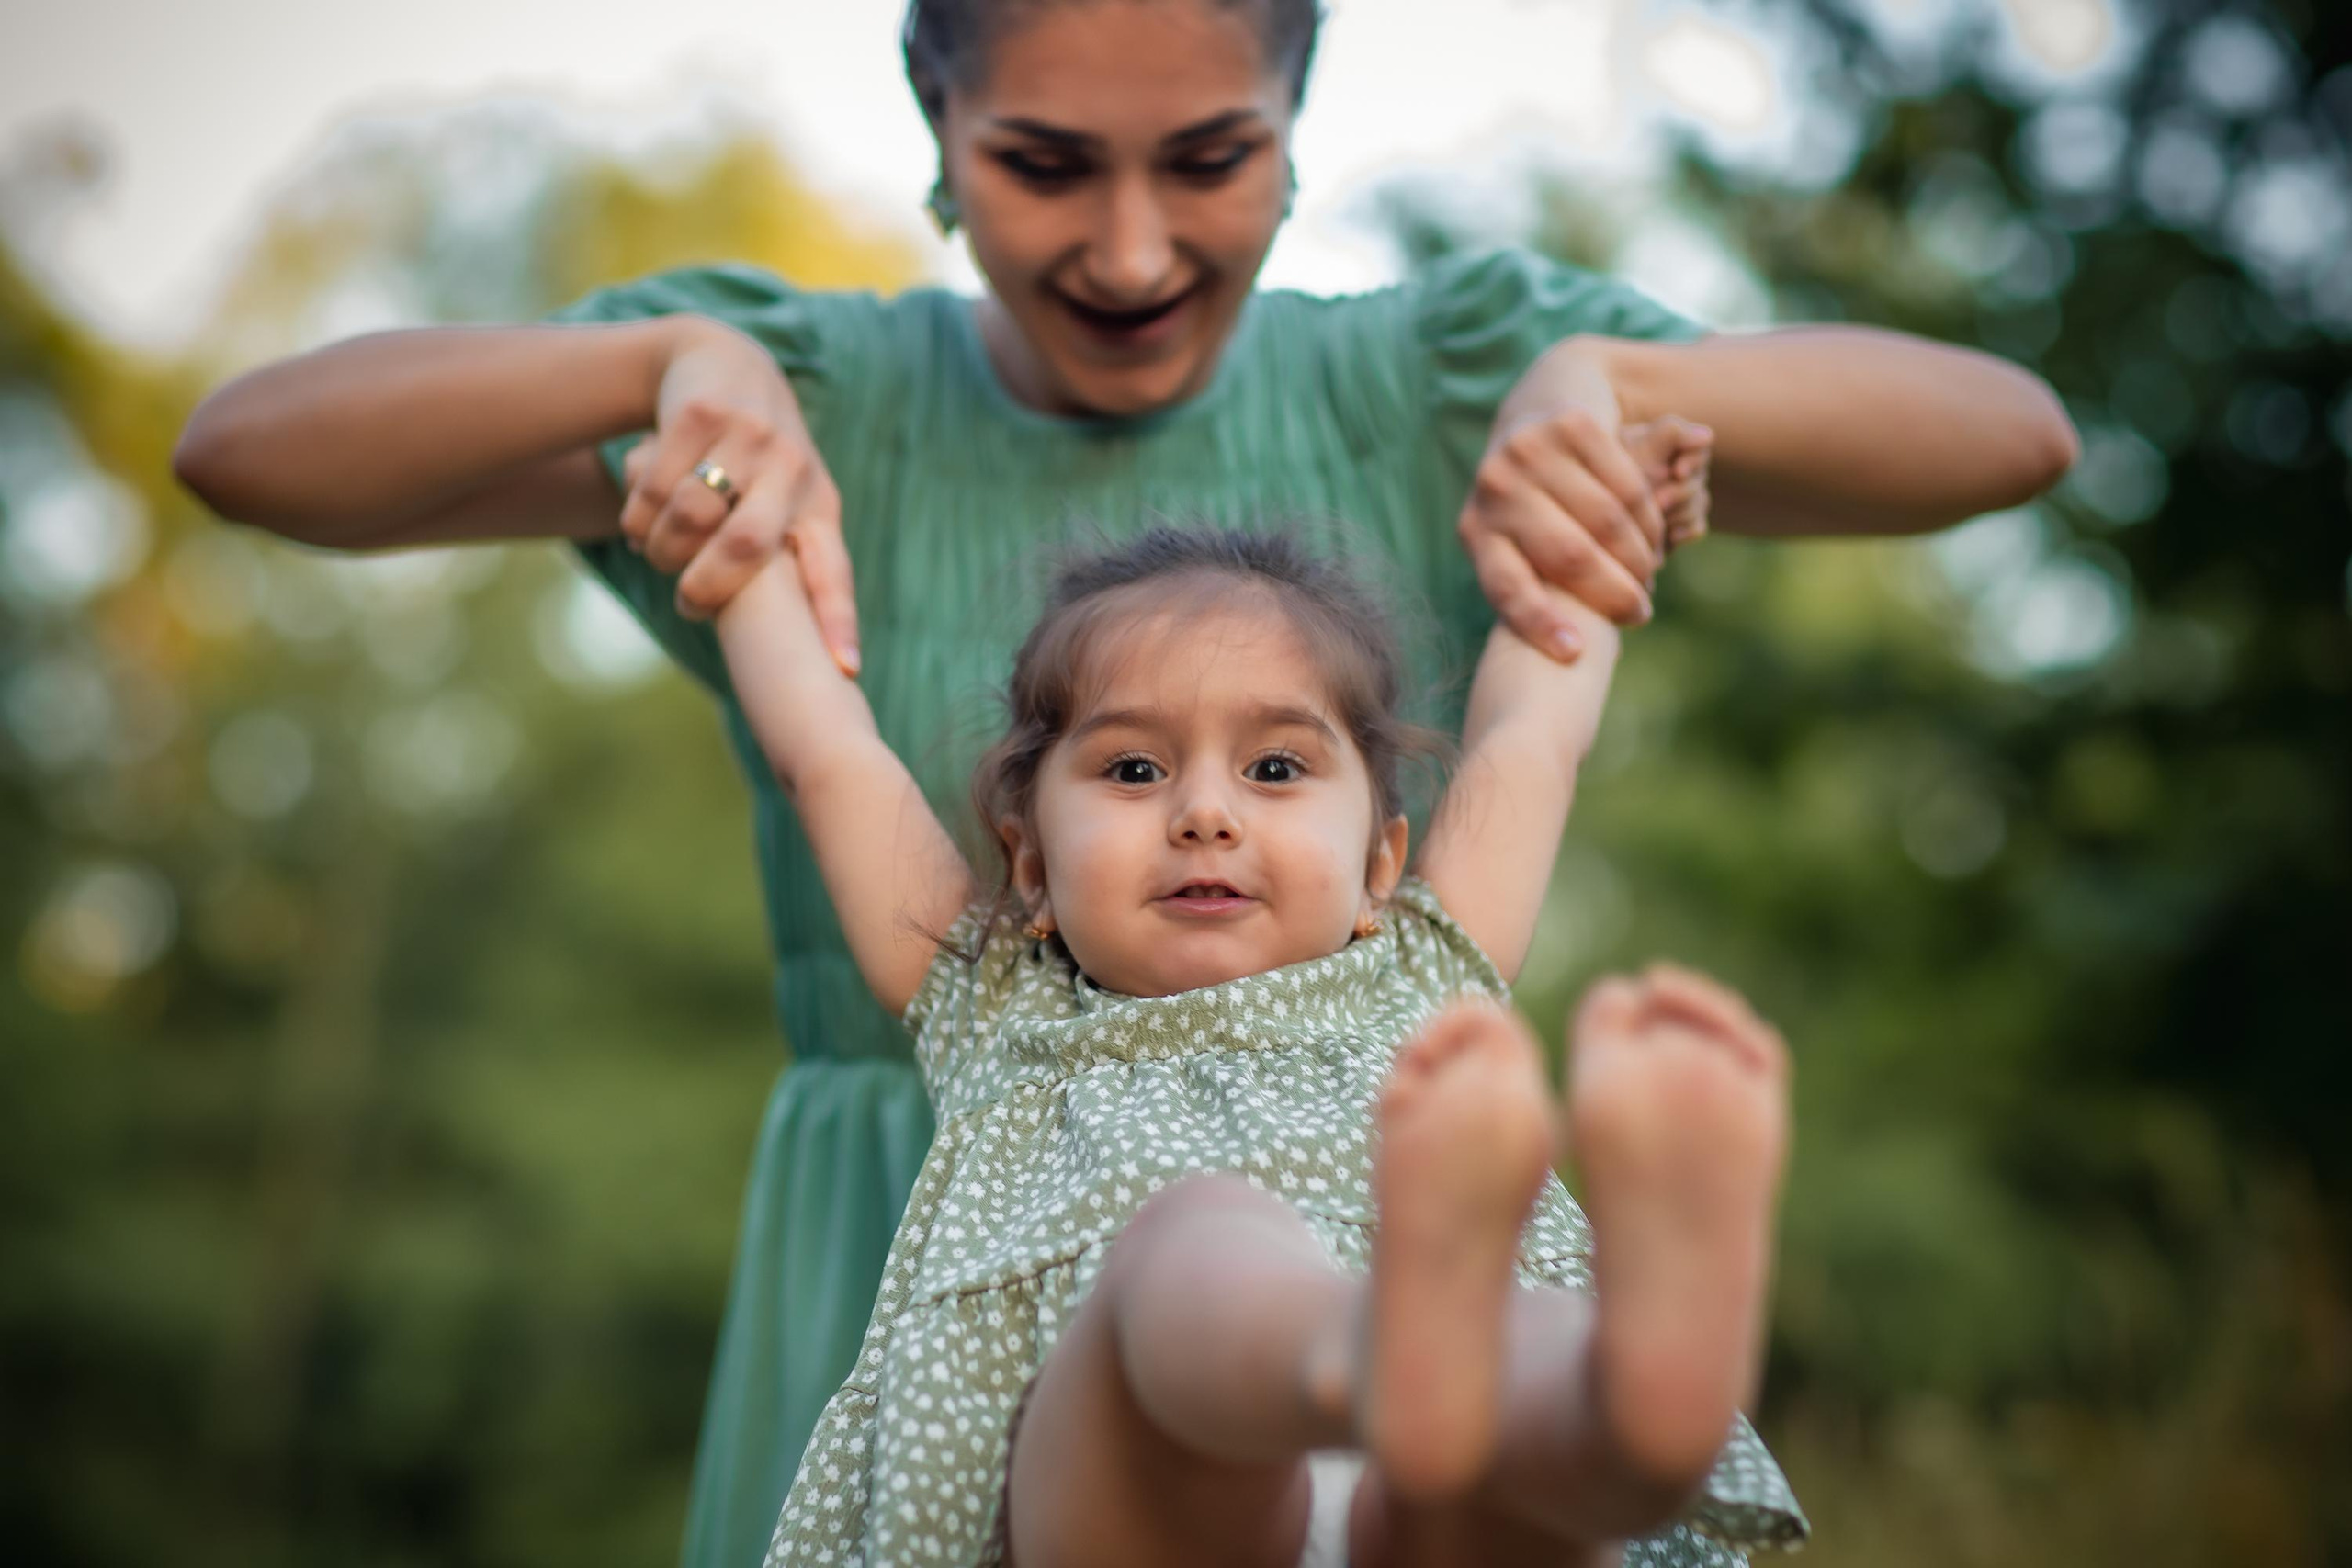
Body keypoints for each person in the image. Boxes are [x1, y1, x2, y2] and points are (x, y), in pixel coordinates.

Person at [171, 2, 2077, 1560]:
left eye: (1271, 761)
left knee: (1470, 1515)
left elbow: (1585, 671)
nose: (1132, 246)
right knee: (1184, 1263)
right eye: (1043, 163)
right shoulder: (988, 977)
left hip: (1430, 1462)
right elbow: (274, 466)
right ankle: (1401, 1344)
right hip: (1157, 1418)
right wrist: (680, 372)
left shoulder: (1422, 942)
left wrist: (1621, 398)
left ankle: (1619, 1389)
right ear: (936, 120)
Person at [714, 498, 1800, 1568]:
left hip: (1427, 1495)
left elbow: (1534, 738)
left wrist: (1583, 518)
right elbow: (827, 754)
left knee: (1512, 1422)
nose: (1203, 813)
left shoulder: (1420, 978)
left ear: (1381, 864)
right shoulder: (998, 1001)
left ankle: (1632, 1423)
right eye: (1132, 769)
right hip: (1162, 1506)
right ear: (1030, 863)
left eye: (1274, 768)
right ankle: (1383, 1357)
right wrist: (744, 546)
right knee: (1196, 1239)